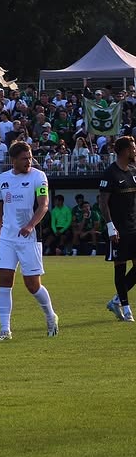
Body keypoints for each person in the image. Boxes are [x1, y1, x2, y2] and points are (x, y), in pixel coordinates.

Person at [0, 141, 58, 340]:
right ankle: (5, 330)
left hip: (29, 238)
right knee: (5, 281)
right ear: (13, 160)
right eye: (24, 158)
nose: (28, 161)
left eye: (30, 157)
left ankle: (50, 315)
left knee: (32, 285)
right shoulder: (2, 179)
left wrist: (30, 225)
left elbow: (43, 205)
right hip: (7, 237)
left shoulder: (39, 177)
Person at [101, 136, 136, 321]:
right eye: (133, 148)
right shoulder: (110, 173)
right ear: (123, 151)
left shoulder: (132, 171)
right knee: (120, 268)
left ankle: (115, 301)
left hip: (133, 227)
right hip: (118, 230)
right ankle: (126, 308)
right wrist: (110, 227)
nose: (135, 151)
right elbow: (103, 202)